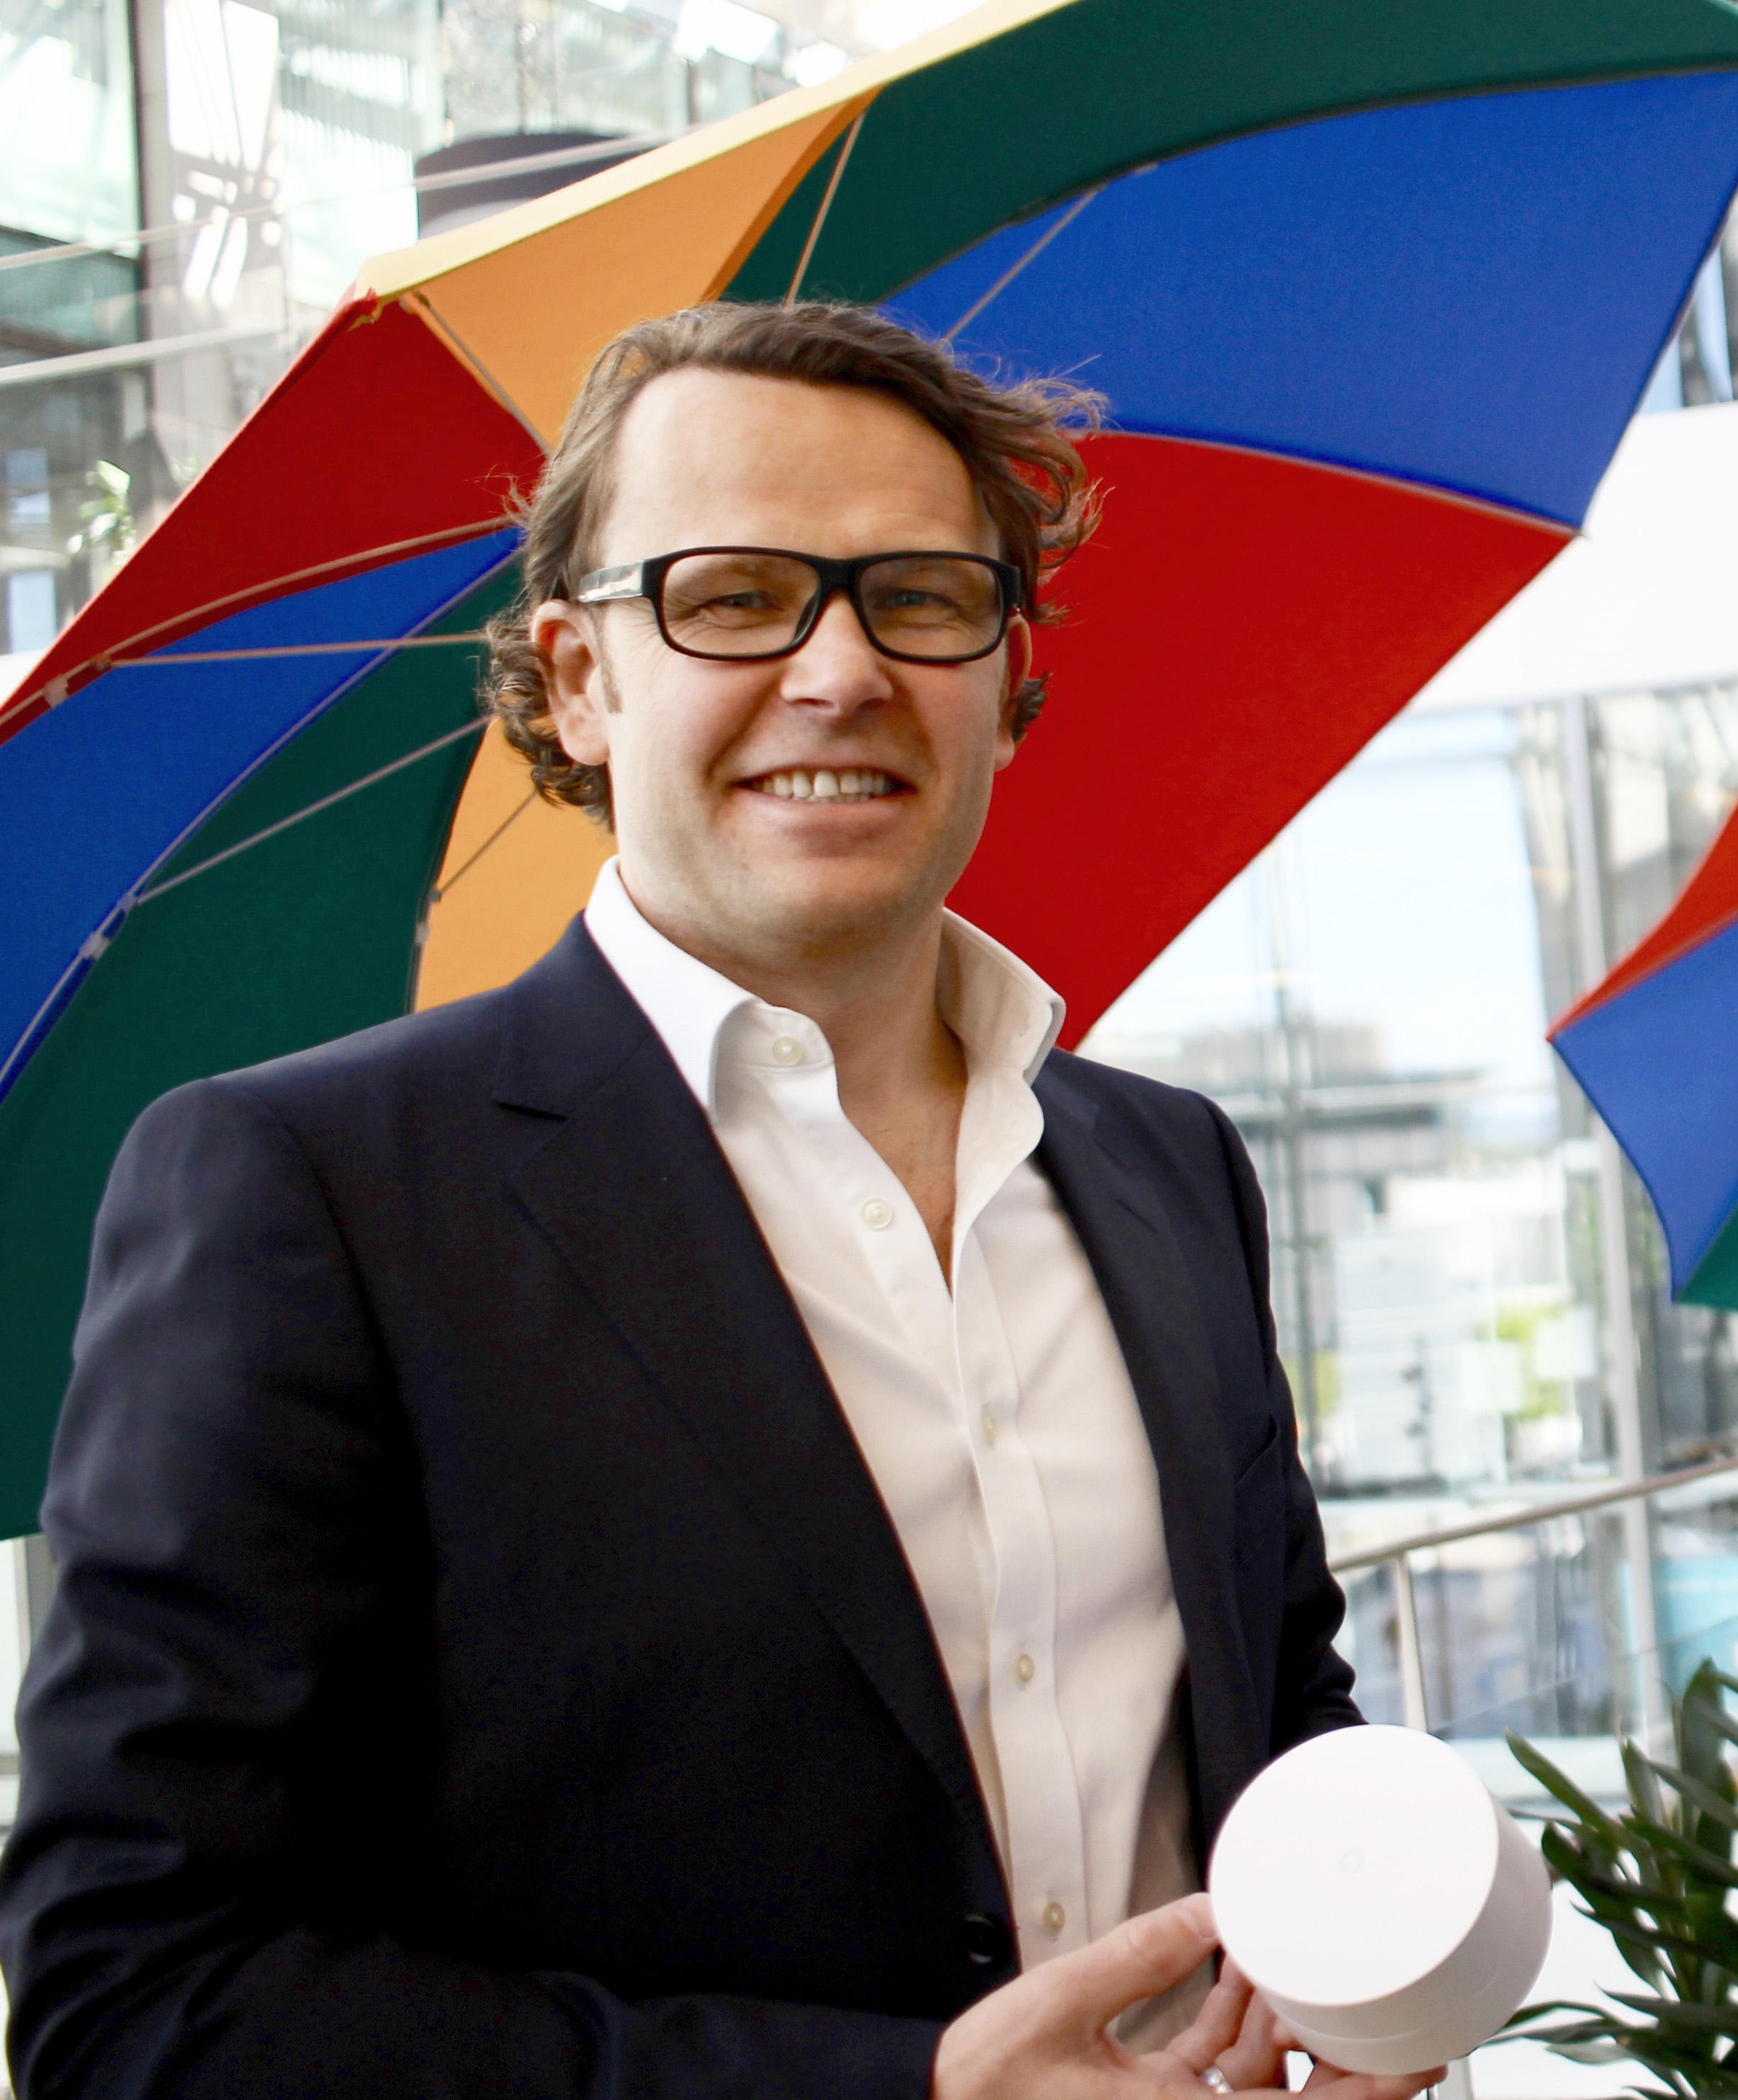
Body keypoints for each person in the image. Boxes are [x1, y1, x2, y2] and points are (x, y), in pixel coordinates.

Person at [0, 301, 1430, 2100]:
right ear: (579, 680)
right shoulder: (308, 1194)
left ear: (1007, 677)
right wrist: (912, 2094)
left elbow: (1281, 1711)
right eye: (733, 598)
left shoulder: (1169, 1167)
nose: (840, 672)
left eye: (919, 596)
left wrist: (1374, 1973)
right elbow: (139, 2007)